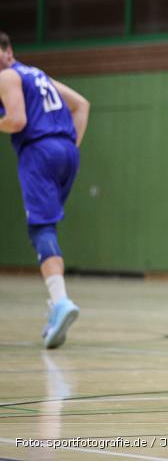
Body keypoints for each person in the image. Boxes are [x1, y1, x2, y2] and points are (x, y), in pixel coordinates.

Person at [0, 31, 90, 349]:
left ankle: (61, 301)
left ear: (8, 52)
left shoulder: (7, 76)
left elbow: (17, 120)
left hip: (38, 152)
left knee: (41, 228)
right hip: (67, 151)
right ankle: (56, 305)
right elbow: (82, 106)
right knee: (47, 226)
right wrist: (67, 150)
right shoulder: (37, 75)